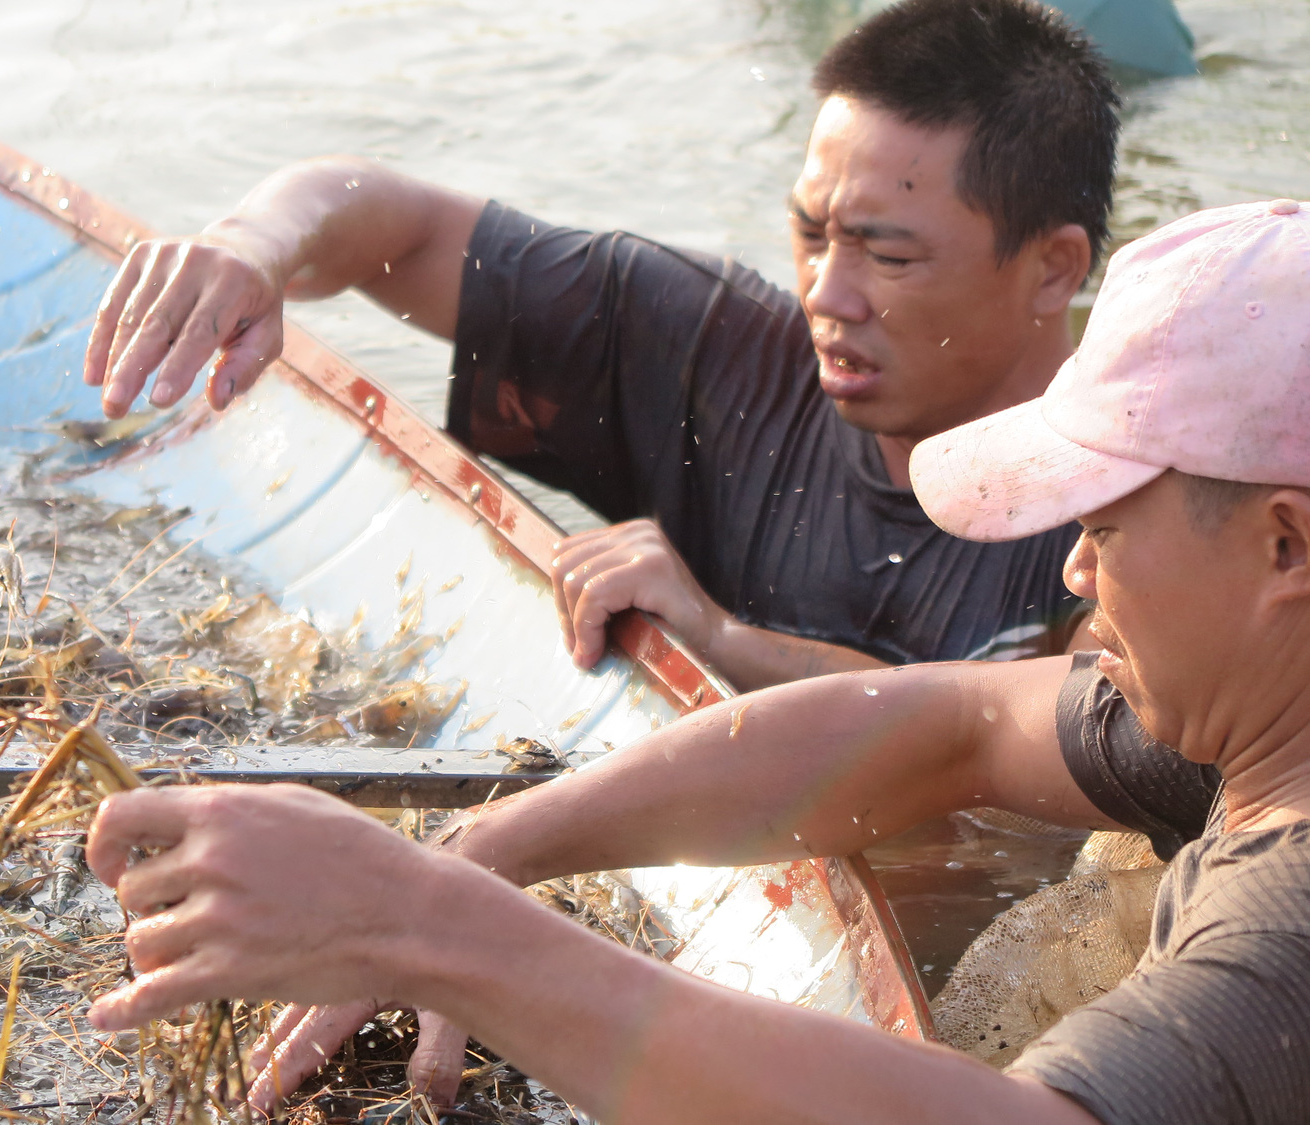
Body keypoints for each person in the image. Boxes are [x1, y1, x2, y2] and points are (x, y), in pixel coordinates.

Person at [80, 198, 1310, 1123]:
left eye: (1100, 530)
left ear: (1281, 543)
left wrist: (424, 928)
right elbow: (953, 725)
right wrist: (483, 856)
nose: (1072, 577)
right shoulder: (1258, 700)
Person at [81, 0, 1121, 689]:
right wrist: (249, 249)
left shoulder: (1123, 518)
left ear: (1052, 269)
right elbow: (393, 218)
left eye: (887, 259)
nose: (825, 292)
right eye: (808, 232)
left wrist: (718, 643)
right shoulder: (717, 348)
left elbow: (1012, 747)